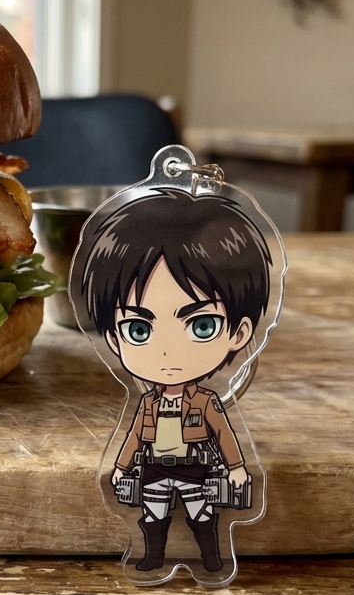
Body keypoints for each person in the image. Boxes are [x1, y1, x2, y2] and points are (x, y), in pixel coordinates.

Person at [78, 188, 273, 572]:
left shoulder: (205, 403)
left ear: (239, 332)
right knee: (153, 515)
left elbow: (224, 435)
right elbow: (135, 436)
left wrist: (236, 468)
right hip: (154, 469)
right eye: (138, 329)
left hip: (195, 467)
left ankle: (211, 556)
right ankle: (152, 555)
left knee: (202, 515)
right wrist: (121, 466)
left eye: (201, 325)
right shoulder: (148, 404)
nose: (167, 353)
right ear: (115, 340)